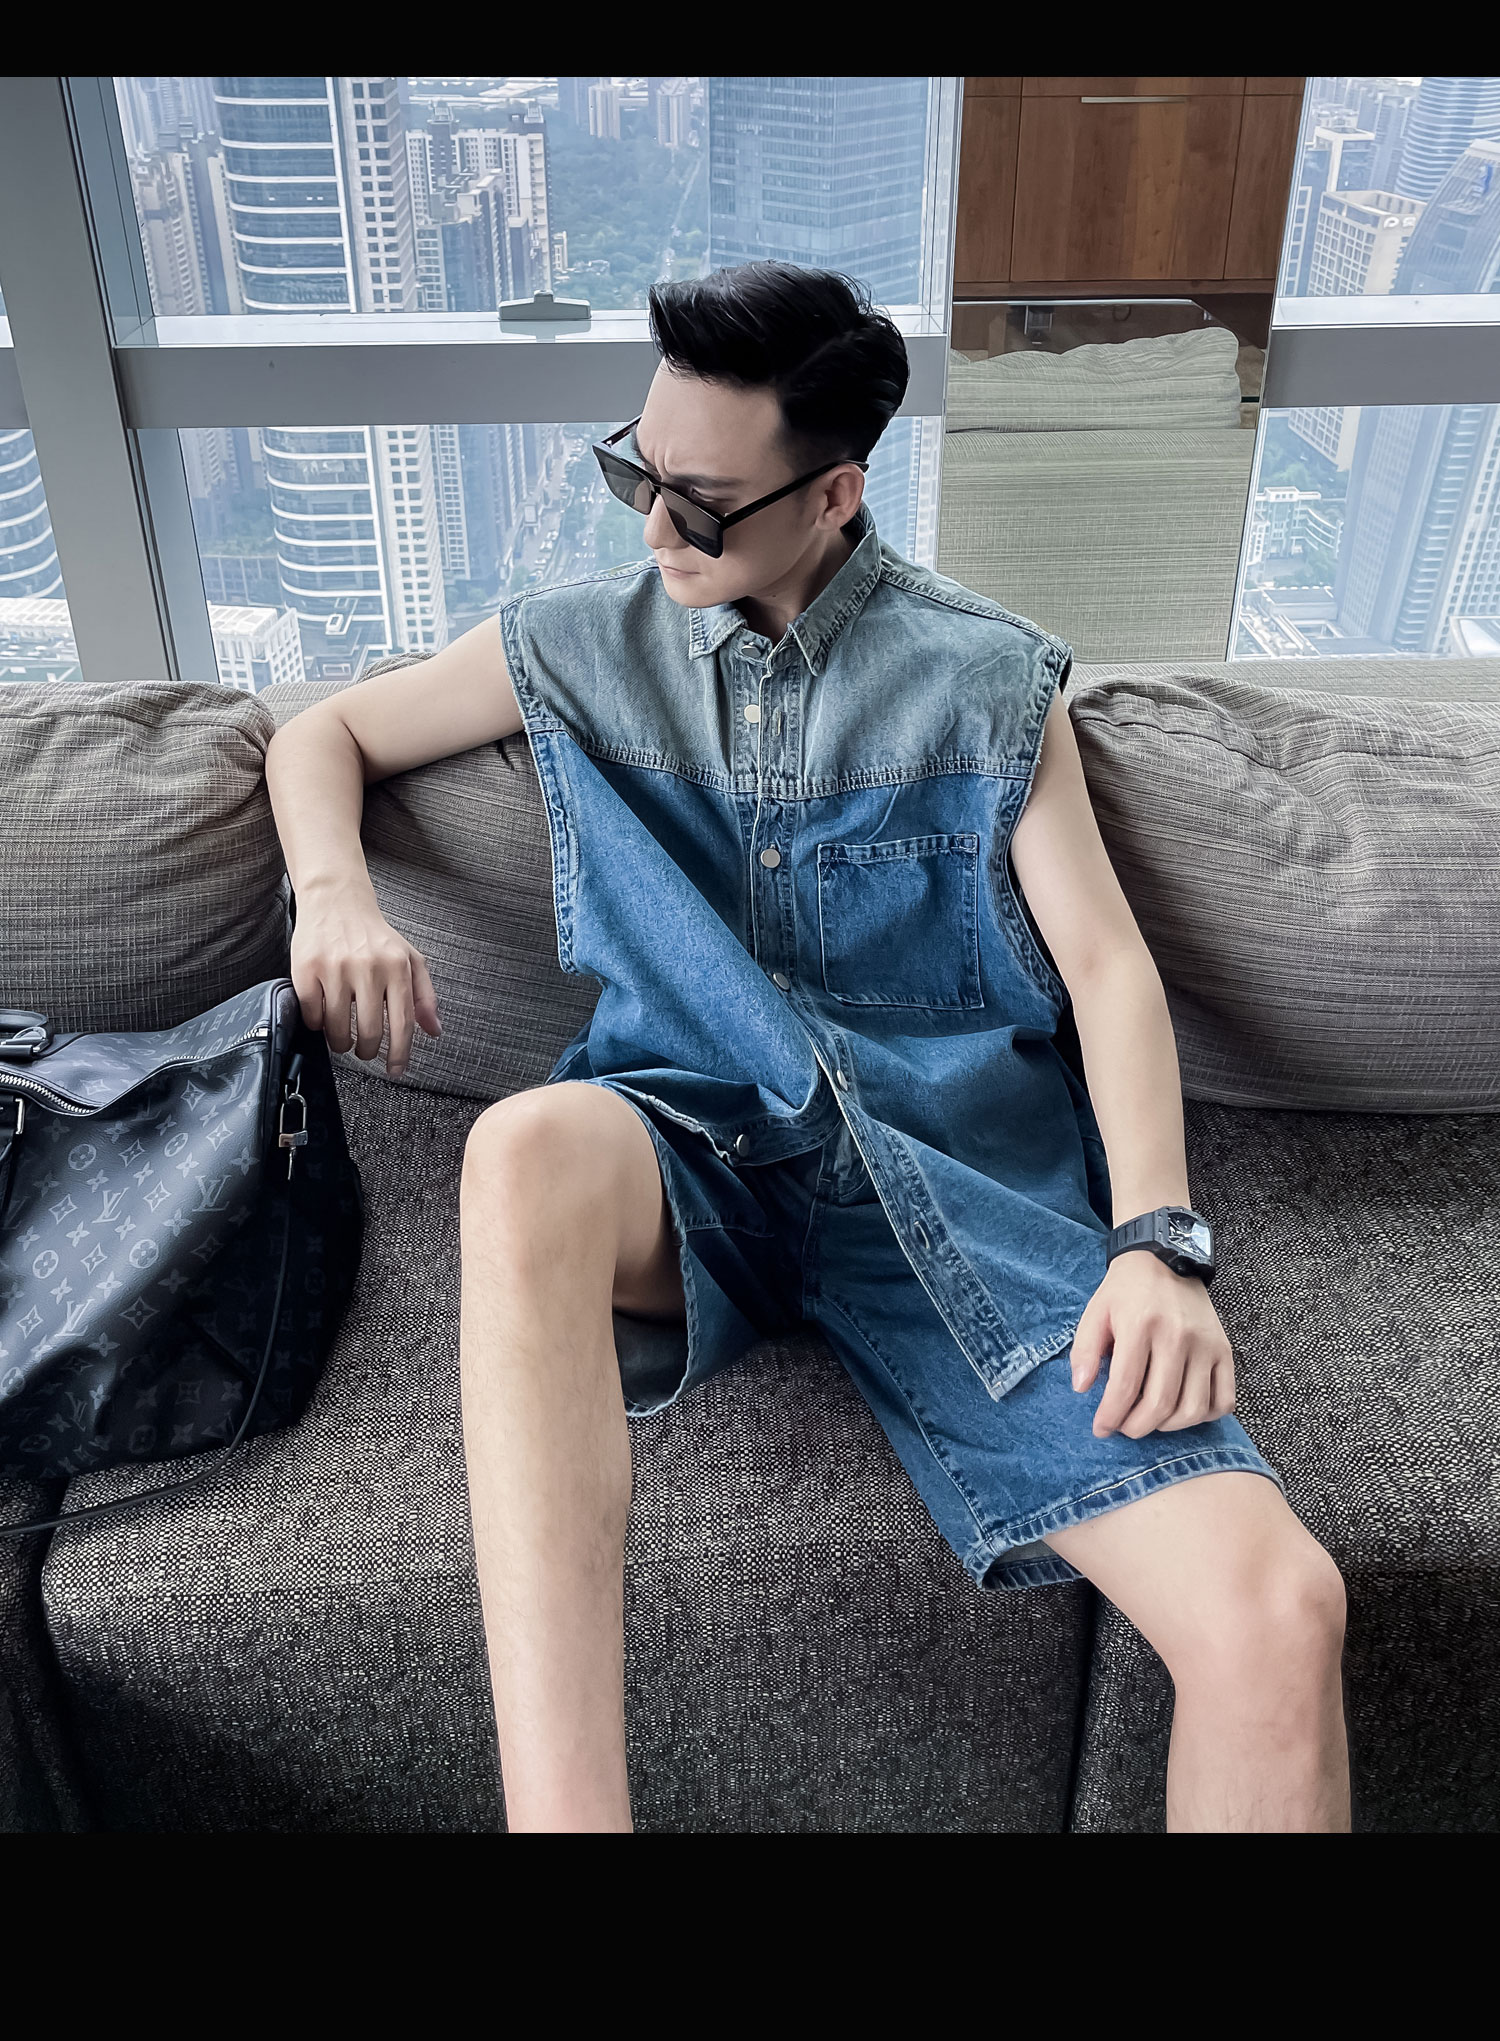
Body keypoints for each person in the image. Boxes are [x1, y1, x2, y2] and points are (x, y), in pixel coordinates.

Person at [264, 261, 1350, 1834]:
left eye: (701, 506)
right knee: (520, 1148)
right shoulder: (581, 645)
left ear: (835, 492)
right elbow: (325, 731)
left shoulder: (987, 681)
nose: (656, 530)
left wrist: (1158, 1244)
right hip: (689, 1157)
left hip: (950, 1196)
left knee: (1282, 1610)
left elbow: (1111, 970)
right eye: (636, 474)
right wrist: (333, 896)